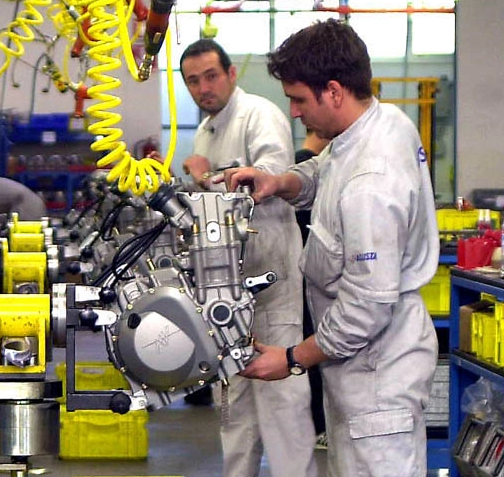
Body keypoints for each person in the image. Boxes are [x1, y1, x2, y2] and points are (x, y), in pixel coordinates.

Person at [224, 19, 439, 477]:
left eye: (300, 99)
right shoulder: (379, 125)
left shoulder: (371, 186)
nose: (295, 113)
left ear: (335, 91)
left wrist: (290, 358)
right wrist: (282, 181)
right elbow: (327, 170)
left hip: (378, 379)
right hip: (362, 372)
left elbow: (367, 307)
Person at [178, 38, 318, 477]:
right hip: (227, 286)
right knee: (233, 405)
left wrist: (203, 175)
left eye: (211, 76)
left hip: (271, 281)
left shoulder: (259, 115)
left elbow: (268, 185)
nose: (204, 88)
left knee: (283, 405)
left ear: (232, 73)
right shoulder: (207, 129)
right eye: (193, 81)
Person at [294, 128, 331, 449]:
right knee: (317, 350)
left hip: (306, 277)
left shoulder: (299, 164)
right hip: (312, 277)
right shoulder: (309, 168)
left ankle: (319, 424)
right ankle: (320, 425)